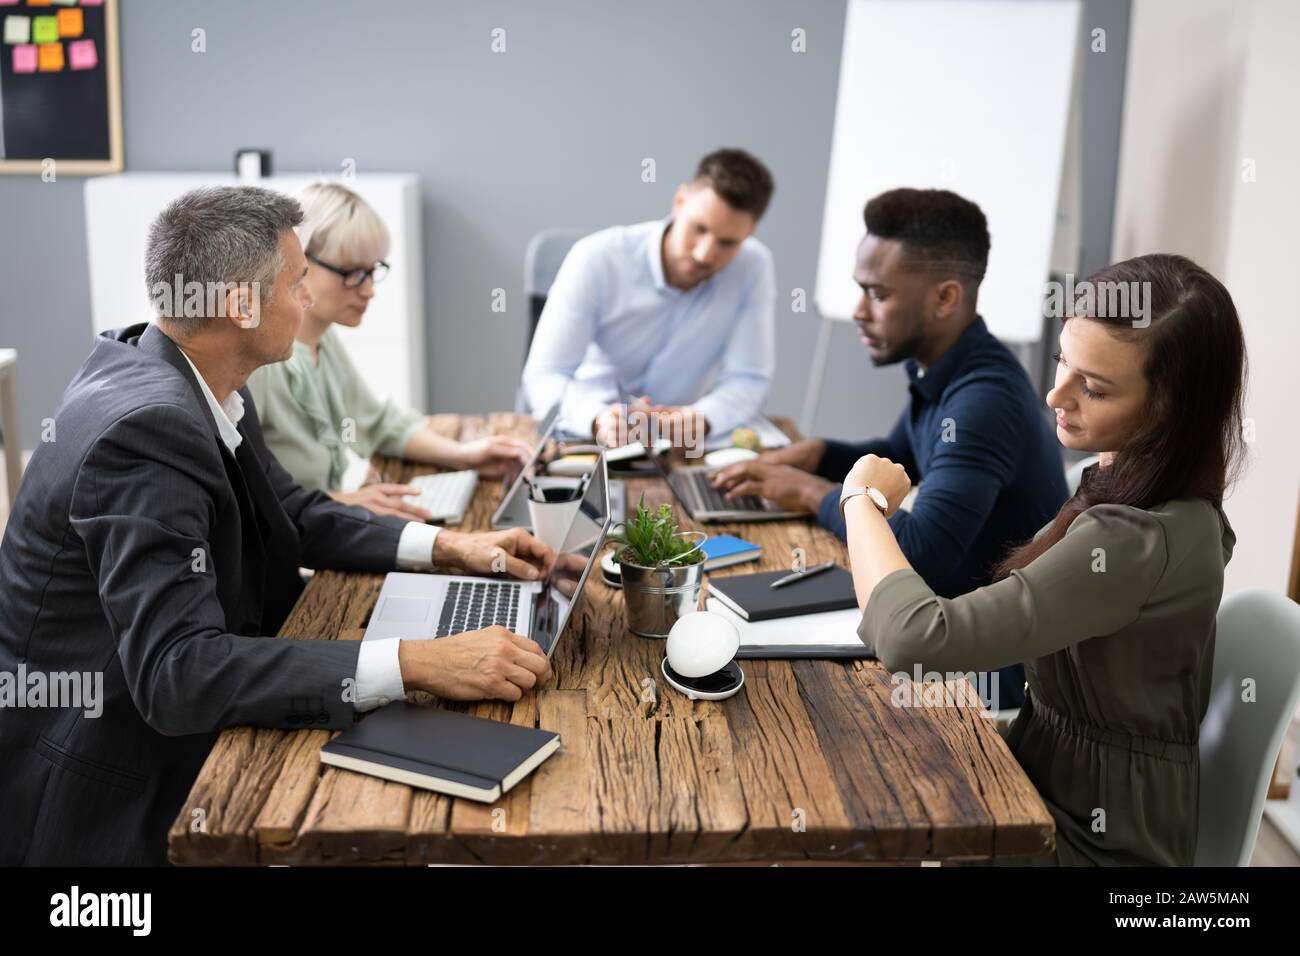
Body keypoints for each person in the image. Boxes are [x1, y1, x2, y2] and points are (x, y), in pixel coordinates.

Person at [0, 186, 557, 866]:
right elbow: (179, 672)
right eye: (297, 284)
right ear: (239, 305)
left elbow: (289, 509)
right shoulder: (147, 429)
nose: (307, 301)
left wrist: (449, 546)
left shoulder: (197, 374)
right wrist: (419, 661)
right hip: (111, 781)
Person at [844, 253, 1245, 866]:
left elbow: (914, 639)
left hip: (1093, 847)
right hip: (1041, 791)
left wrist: (860, 503)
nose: (1055, 394)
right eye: (1064, 360)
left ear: (1170, 409)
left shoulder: (1135, 539)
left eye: (1095, 387)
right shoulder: (1132, 491)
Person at [714, 188, 1068, 708]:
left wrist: (814, 493)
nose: (858, 311)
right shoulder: (945, 370)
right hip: (942, 637)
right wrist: (818, 453)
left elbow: (921, 554)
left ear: (945, 297)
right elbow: (897, 454)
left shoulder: (983, 402)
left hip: (987, 679)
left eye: (877, 295)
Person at [247, 182, 532, 521]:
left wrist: (463, 455)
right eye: (352, 273)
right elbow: (249, 496)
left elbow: (377, 422)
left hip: (319, 524)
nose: (368, 291)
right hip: (295, 543)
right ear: (299, 260)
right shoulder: (262, 362)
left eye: (373, 271)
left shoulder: (322, 340)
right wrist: (341, 501)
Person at [520, 148, 777, 449]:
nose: (704, 253)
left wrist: (705, 417)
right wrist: (596, 417)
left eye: (727, 242)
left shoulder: (753, 267)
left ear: (750, 233)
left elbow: (749, 378)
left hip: (676, 446)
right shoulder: (596, 258)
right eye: (699, 229)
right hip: (586, 435)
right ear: (680, 201)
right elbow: (545, 375)